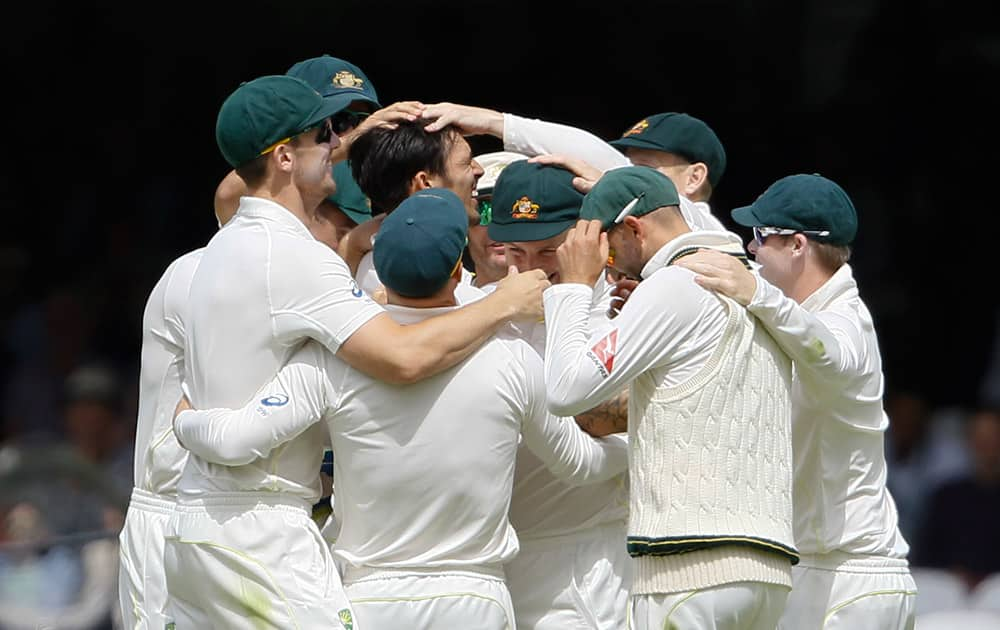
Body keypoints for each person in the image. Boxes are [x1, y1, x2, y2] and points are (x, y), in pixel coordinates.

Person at [162, 75, 548, 630]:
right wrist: (502, 304)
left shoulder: (222, 245)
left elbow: (239, 188)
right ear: (284, 157)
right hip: (262, 530)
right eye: (324, 135)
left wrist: (188, 424)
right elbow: (403, 359)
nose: (337, 145)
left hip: (197, 523)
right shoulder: (297, 259)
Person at [172, 189, 627, 629]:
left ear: (381, 279)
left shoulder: (332, 361)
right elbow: (580, 465)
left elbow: (235, 442)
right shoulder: (511, 357)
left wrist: (186, 418)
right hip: (474, 599)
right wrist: (634, 440)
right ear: (457, 274)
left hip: (371, 599)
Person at [542, 165, 796, 630]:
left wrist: (573, 286)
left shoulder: (672, 286)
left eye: (607, 247)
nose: (609, 266)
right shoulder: (751, 282)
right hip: (768, 569)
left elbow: (563, 391)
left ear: (634, 228)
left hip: (688, 569)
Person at [674, 173, 917, 628]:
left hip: (852, 579)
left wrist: (754, 293)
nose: (750, 249)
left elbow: (829, 354)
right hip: (813, 572)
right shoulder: (795, 317)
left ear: (798, 246)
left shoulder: (846, 320)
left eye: (761, 237)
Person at [485, 159, 631, 628]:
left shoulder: (626, 314)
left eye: (549, 252)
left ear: (591, 239)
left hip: (584, 569)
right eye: (515, 252)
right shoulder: (486, 309)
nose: (530, 271)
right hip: (493, 565)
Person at [420, 103, 728, 231]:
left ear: (695, 177)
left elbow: (611, 166)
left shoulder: (709, 232)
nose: (629, 175)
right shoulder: (627, 223)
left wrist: (495, 123)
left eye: (645, 168)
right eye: (629, 165)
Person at [340, 120, 487, 303]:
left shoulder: (374, 258)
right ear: (425, 183)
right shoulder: (407, 274)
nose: (479, 170)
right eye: (466, 163)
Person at [915, 406, 1000, 591]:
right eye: (981, 439)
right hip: (948, 594)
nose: (987, 447)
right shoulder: (946, 496)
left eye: (993, 439)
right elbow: (925, 557)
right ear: (970, 442)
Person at [465, 151, 528, 290]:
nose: (498, 226)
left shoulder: (569, 302)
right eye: (483, 209)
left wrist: (496, 128)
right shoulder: (444, 304)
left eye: (516, 209)